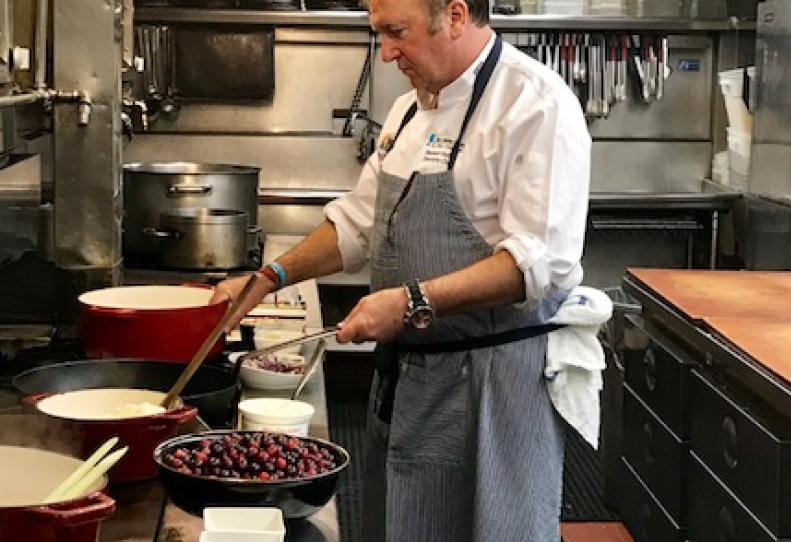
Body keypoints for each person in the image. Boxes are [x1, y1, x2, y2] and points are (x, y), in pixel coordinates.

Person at [211, 0, 591, 539]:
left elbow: (534, 267)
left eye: (396, 32)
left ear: (455, 16)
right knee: (406, 521)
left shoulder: (536, 105)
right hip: (414, 381)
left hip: (494, 388)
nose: (386, 52)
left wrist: (411, 300)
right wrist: (268, 278)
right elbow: (358, 226)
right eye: (380, 33)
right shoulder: (410, 110)